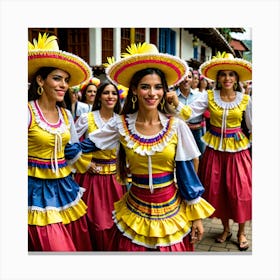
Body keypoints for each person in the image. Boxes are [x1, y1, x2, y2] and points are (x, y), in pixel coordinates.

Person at [81, 42, 215, 251]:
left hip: (171, 209)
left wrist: (196, 217)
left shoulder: (176, 126)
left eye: (157, 87)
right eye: (145, 87)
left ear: (164, 90)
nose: (152, 93)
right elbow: (86, 145)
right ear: (134, 90)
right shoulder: (121, 124)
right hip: (134, 209)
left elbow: (188, 172)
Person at [167, 52, 252, 251]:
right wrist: (176, 102)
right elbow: (189, 114)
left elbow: (253, 126)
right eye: (223, 74)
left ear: (237, 78)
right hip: (214, 150)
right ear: (218, 77)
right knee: (218, 190)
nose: (227, 78)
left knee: (240, 192)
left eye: (232, 74)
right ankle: (225, 229)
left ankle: (241, 233)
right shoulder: (208, 96)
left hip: (238, 151)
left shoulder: (245, 99)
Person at [28, 32, 93, 251]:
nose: (63, 85)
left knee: (77, 240)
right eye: (57, 78)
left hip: (64, 186)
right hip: (33, 189)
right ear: (40, 80)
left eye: (66, 80)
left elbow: (72, 149)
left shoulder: (65, 115)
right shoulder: (26, 112)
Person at [74, 81, 127, 250]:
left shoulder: (122, 121)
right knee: (91, 221)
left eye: (113, 93)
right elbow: (71, 145)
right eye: (106, 93)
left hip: (115, 179)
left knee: (114, 221)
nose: (110, 97)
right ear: (99, 96)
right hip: (90, 177)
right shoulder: (86, 118)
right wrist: (84, 163)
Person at [175, 69, 206, 157]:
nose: (186, 79)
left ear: (192, 79)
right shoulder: (172, 96)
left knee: (199, 157)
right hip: (178, 132)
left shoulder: (200, 96)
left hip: (197, 131)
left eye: (189, 77)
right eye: (184, 77)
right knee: (182, 158)